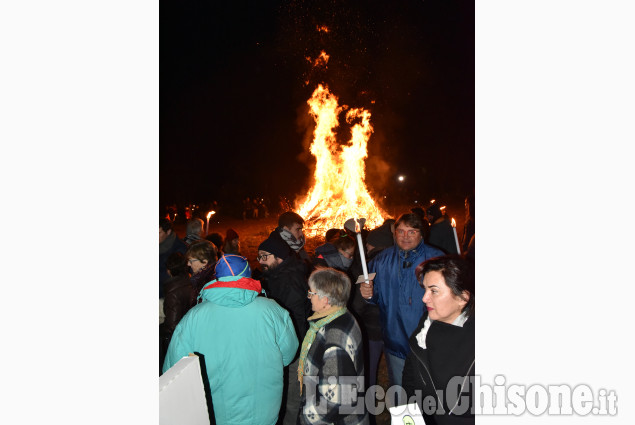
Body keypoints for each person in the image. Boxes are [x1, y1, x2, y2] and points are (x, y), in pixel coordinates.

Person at [163, 254, 299, 425]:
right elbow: (288, 354)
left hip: (215, 408)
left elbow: (174, 366)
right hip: (264, 407)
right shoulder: (272, 310)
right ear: (248, 275)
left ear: (217, 277)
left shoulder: (195, 316)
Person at [359, 213, 445, 390]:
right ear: (394, 233)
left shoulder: (437, 260)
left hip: (430, 345)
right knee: (401, 396)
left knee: (431, 394)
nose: (405, 237)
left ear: (421, 234)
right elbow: (373, 298)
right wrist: (367, 294)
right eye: (401, 231)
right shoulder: (380, 261)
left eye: (412, 232)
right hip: (395, 343)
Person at [402, 255, 475, 424]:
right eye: (425, 290)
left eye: (434, 291)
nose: (424, 298)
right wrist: (409, 414)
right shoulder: (427, 324)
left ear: (462, 298)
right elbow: (412, 371)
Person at [299, 268, 369, 425]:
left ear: (325, 300)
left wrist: (306, 419)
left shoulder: (335, 338)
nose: (309, 297)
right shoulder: (342, 316)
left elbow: (338, 401)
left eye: (312, 293)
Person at [258, 236, 312, 425]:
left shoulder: (287, 281)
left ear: (279, 257)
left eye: (265, 256)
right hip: (286, 346)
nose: (261, 261)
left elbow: (296, 320)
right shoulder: (276, 275)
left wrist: (292, 353)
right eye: (259, 257)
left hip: (293, 349)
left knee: (292, 397)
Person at [348, 220, 393, 398]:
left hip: (372, 329)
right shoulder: (398, 262)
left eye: (369, 242)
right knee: (400, 374)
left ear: (374, 244)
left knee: (368, 370)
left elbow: (358, 304)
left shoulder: (367, 267)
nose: (365, 245)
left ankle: (367, 406)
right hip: (394, 329)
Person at [159, 252, 193, 374]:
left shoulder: (172, 291)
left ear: (169, 270)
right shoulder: (190, 282)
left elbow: (172, 324)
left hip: (177, 339)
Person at [159, 217, 187, 299]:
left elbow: (174, 276)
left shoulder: (179, 249)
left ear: (168, 232)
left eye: (158, 233)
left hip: (165, 296)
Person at [186, 240, 217, 305]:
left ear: (204, 262)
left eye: (191, 261)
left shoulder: (209, 285)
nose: (188, 264)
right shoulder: (201, 278)